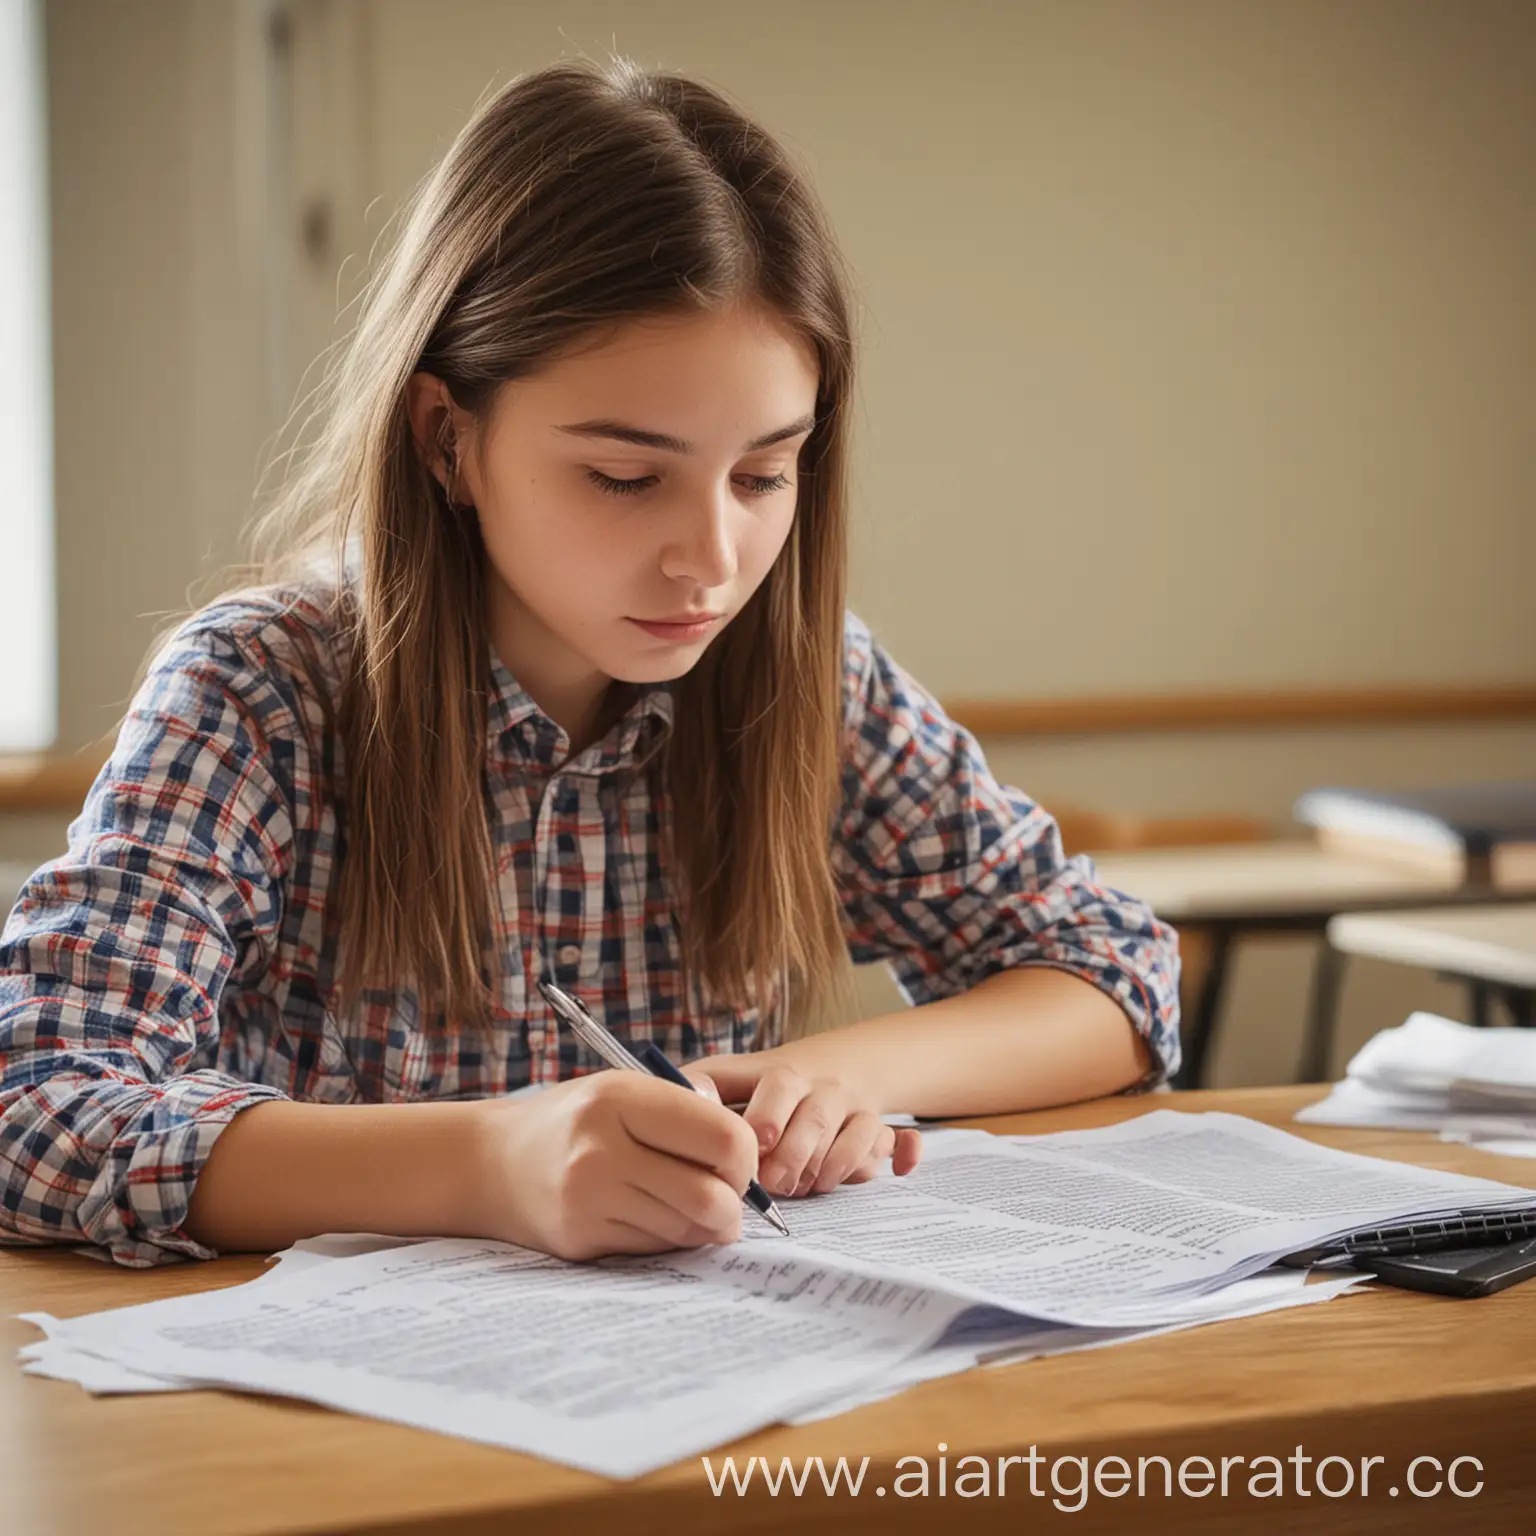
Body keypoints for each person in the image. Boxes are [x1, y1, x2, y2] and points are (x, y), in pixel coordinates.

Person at [0, 59, 1178, 1271]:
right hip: (321, 1424)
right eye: (625, 477)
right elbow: (34, 1098)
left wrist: (827, 1072)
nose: (711, 562)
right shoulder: (261, 693)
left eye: (765, 473)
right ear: (447, 438)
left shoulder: (804, 678)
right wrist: (494, 1165)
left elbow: (1113, 972)